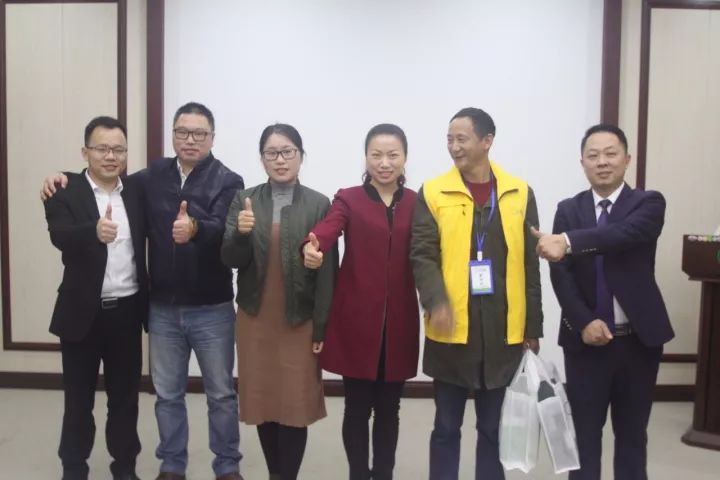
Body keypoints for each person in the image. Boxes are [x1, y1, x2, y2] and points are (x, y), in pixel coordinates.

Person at [41, 103, 245, 480]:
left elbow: (224, 228)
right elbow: (80, 206)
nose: (190, 139)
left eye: (199, 133)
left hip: (195, 308)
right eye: (182, 131)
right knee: (156, 395)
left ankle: (222, 466)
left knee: (215, 394)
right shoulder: (149, 178)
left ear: (212, 138)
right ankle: (164, 466)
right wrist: (61, 177)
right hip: (147, 309)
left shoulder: (224, 180)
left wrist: (195, 228)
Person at [533, 124, 673, 480]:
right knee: (583, 437)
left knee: (632, 435)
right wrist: (583, 322)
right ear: (582, 163)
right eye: (593, 155)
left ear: (627, 159)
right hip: (586, 343)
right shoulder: (569, 209)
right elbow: (561, 276)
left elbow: (622, 235)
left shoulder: (648, 203)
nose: (602, 162)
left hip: (638, 341)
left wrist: (567, 241)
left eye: (611, 154)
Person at [410, 107, 543, 480]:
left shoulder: (519, 192)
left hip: (503, 332)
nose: (454, 146)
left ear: (487, 141)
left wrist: (532, 326)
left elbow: (530, 264)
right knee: (446, 426)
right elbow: (422, 255)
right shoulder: (433, 191)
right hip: (452, 330)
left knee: (493, 428)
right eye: (449, 139)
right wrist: (436, 301)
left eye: (462, 138)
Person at [302, 124, 419, 480]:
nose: (384, 163)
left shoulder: (418, 203)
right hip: (356, 322)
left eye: (392, 155)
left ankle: (383, 473)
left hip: (399, 324)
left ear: (405, 158)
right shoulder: (348, 198)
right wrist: (313, 245)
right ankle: (357, 473)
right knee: (356, 408)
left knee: (389, 410)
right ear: (366, 158)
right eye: (376, 155)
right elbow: (328, 228)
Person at [220, 123, 336, 480]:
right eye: (272, 153)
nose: (280, 160)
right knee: (264, 400)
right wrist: (241, 234)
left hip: (299, 319)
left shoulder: (319, 203)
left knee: (294, 405)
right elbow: (230, 258)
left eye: (288, 152)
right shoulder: (245, 200)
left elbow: (328, 272)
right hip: (255, 317)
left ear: (301, 156)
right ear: (262, 159)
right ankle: (276, 474)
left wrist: (321, 325)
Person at [44, 116, 148, 480]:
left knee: (125, 400)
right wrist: (94, 231)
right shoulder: (64, 190)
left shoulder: (136, 191)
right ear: (85, 152)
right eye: (102, 148)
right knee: (78, 401)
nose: (111, 156)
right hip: (81, 314)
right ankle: (74, 468)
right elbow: (59, 235)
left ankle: (125, 467)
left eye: (119, 149)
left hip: (127, 312)